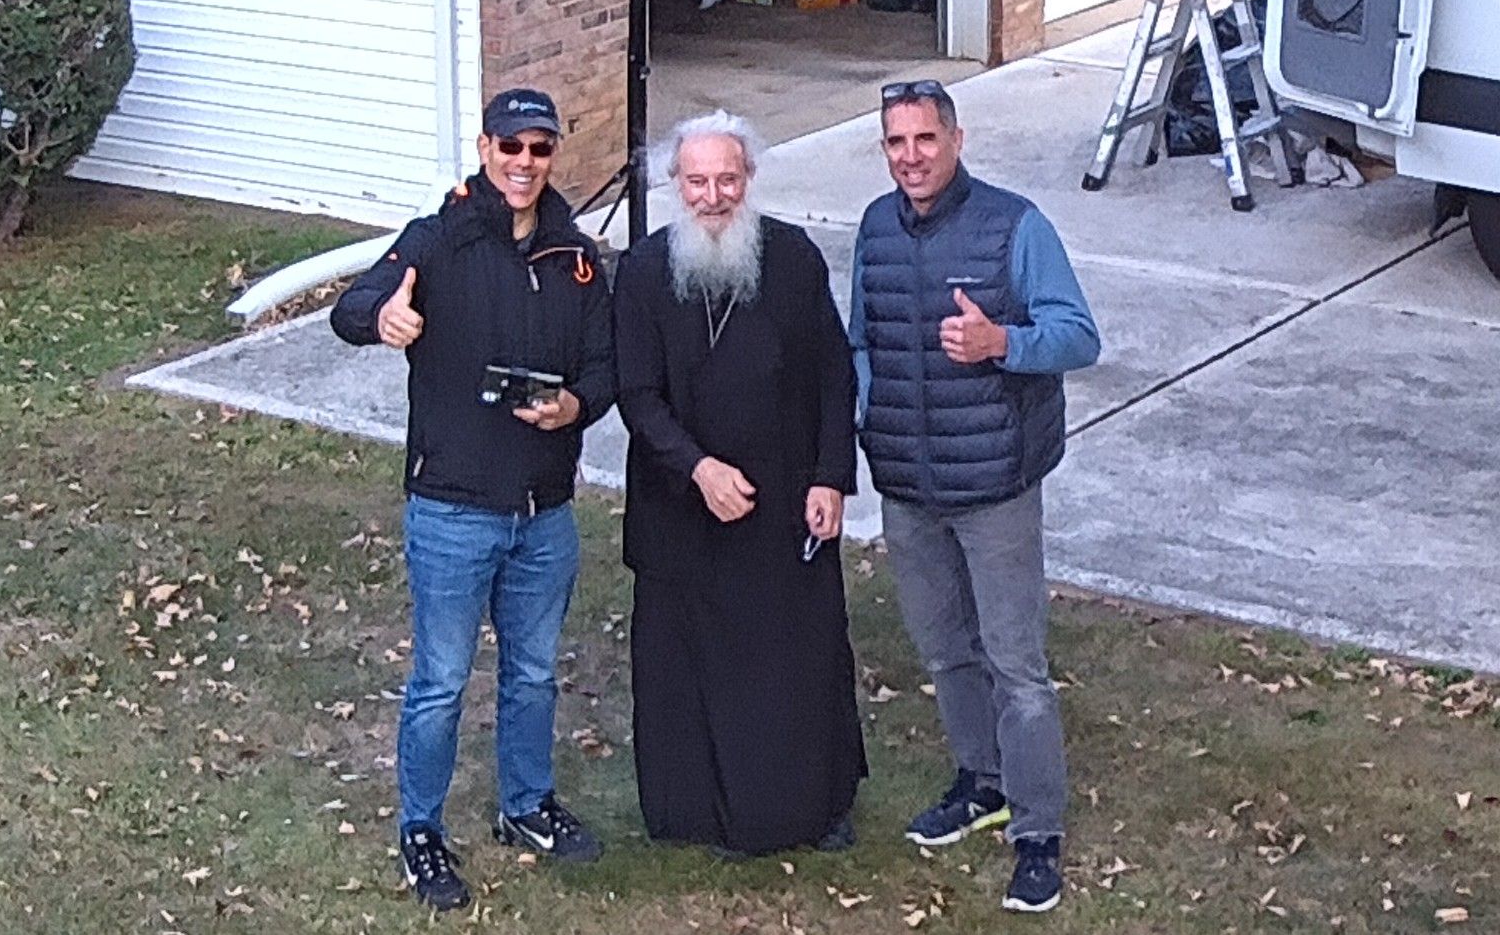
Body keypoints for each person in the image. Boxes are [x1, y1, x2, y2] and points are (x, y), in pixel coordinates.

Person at [330, 88, 615, 913]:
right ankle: (421, 828)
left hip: (544, 513)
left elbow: (604, 365)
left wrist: (576, 408)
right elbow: (350, 310)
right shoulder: (439, 239)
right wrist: (383, 316)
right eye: (511, 146)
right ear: (485, 147)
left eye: (541, 148)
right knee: (441, 681)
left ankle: (526, 805)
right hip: (453, 506)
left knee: (532, 673)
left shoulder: (577, 255)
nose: (525, 163)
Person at [850, 80, 1100, 916]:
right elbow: (863, 341)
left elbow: (1079, 333)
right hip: (908, 486)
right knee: (944, 650)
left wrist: (1004, 341)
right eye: (896, 142)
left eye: (925, 138)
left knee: (1016, 666)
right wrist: (861, 419)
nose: (911, 156)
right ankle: (980, 782)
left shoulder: (1015, 225)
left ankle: (1037, 832)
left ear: (957, 138)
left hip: (993, 485)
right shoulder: (876, 228)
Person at [612, 110, 866, 857]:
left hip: (783, 501)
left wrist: (831, 476)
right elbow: (637, 394)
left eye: (727, 178)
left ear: (748, 178)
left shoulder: (792, 258)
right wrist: (697, 468)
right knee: (687, 665)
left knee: (796, 659)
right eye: (697, 180)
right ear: (675, 184)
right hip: (680, 505)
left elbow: (832, 372)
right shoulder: (642, 271)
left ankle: (811, 806)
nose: (713, 195)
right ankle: (697, 812)